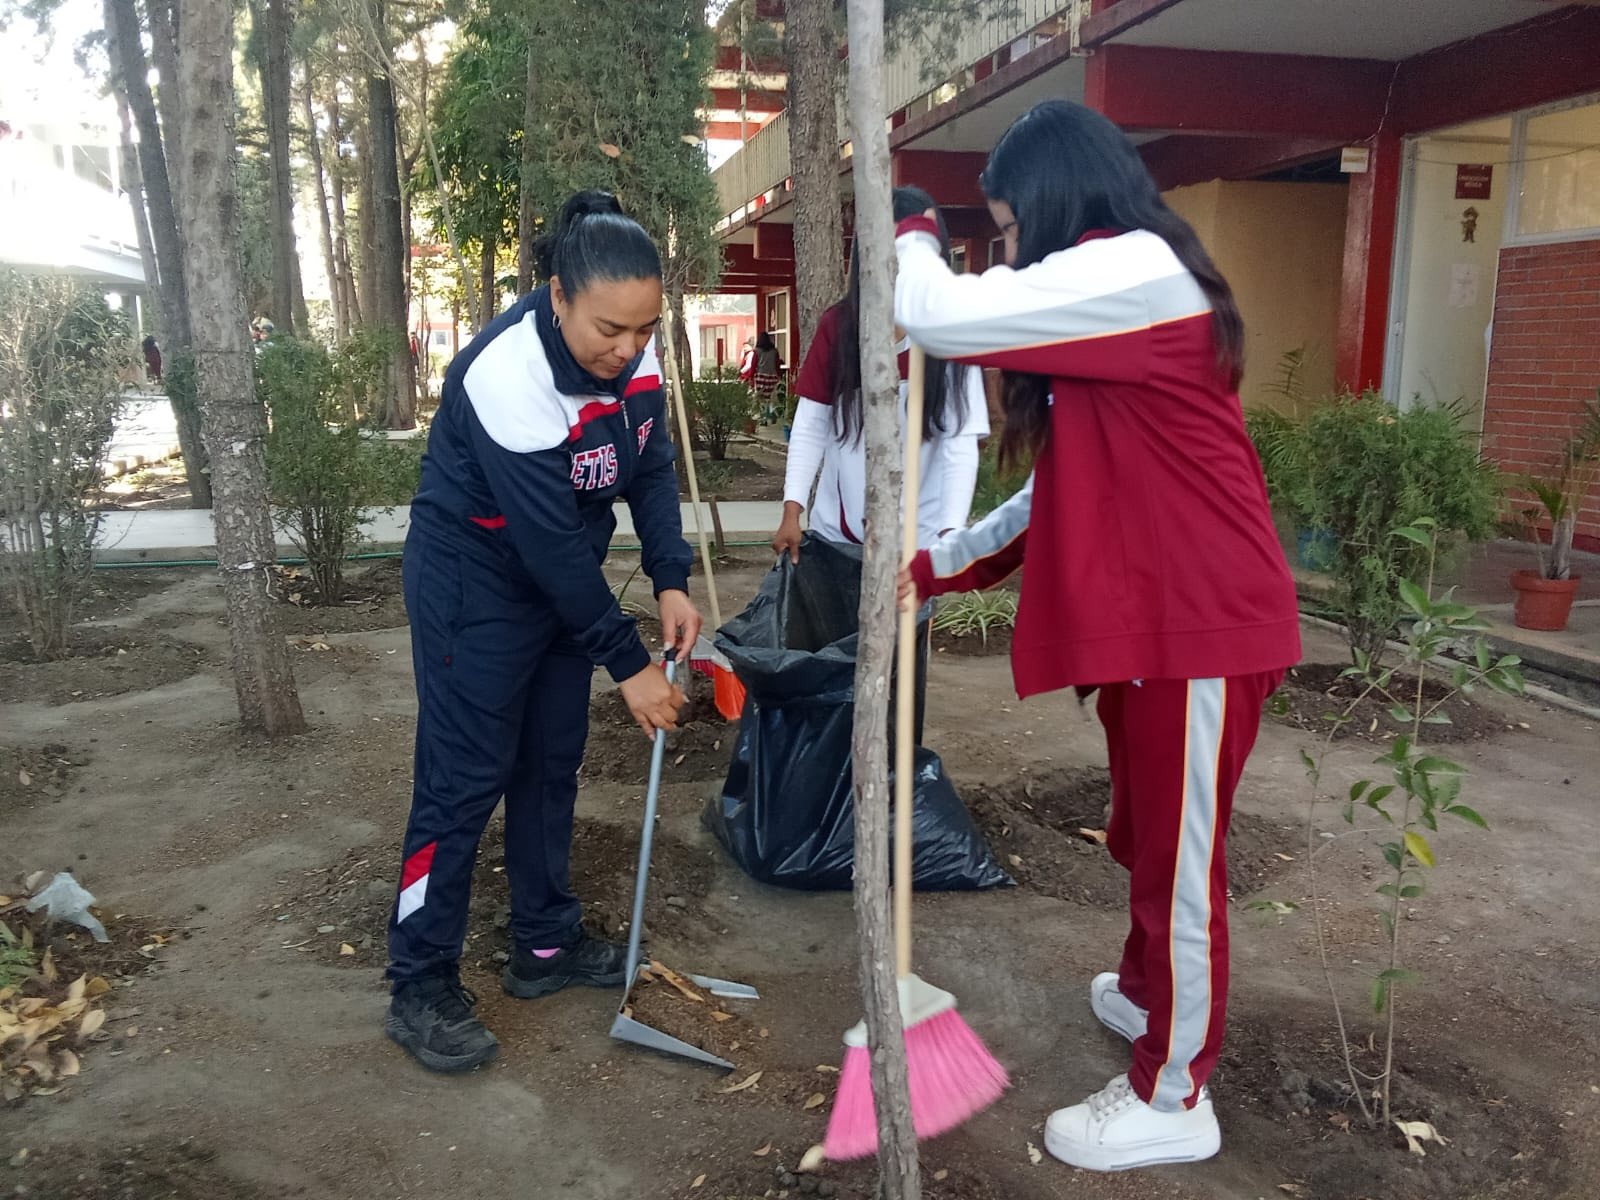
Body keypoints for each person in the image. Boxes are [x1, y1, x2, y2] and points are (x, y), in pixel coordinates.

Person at [894, 100, 1301, 1171]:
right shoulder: (1119, 304)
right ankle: (1151, 995)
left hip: (1202, 624)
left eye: (1008, 229)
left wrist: (912, 231)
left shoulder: (1131, 270)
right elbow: (1058, 495)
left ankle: (1174, 1093)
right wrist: (937, 567)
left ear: (1054, 202)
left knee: (1180, 865)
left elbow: (936, 316)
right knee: (1148, 837)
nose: (1008, 254)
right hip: (1162, 626)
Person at [384, 190, 703, 1073]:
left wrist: (670, 576)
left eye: (644, 330)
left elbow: (652, 465)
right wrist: (630, 664)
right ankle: (419, 981)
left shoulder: (630, 347)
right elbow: (549, 546)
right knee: (461, 781)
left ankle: (545, 943)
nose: (627, 349)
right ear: (557, 295)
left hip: (560, 583)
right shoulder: (507, 373)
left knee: (549, 763)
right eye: (610, 329)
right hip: (474, 584)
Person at [773, 186, 989, 561]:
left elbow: (960, 443)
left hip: (921, 542)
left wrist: (951, 533)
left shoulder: (955, 331)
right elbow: (811, 424)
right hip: (840, 538)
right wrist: (792, 510)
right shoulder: (839, 328)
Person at [751, 330, 783, 419]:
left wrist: (750, 377)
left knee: (761, 399)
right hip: (772, 377)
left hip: (760, 377)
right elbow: (777, 365)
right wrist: (779, 376)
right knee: (771, 398)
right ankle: (771, 414)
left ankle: (763, 417)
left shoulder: (757, 351)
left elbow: (753, 365)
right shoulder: (774, 351)